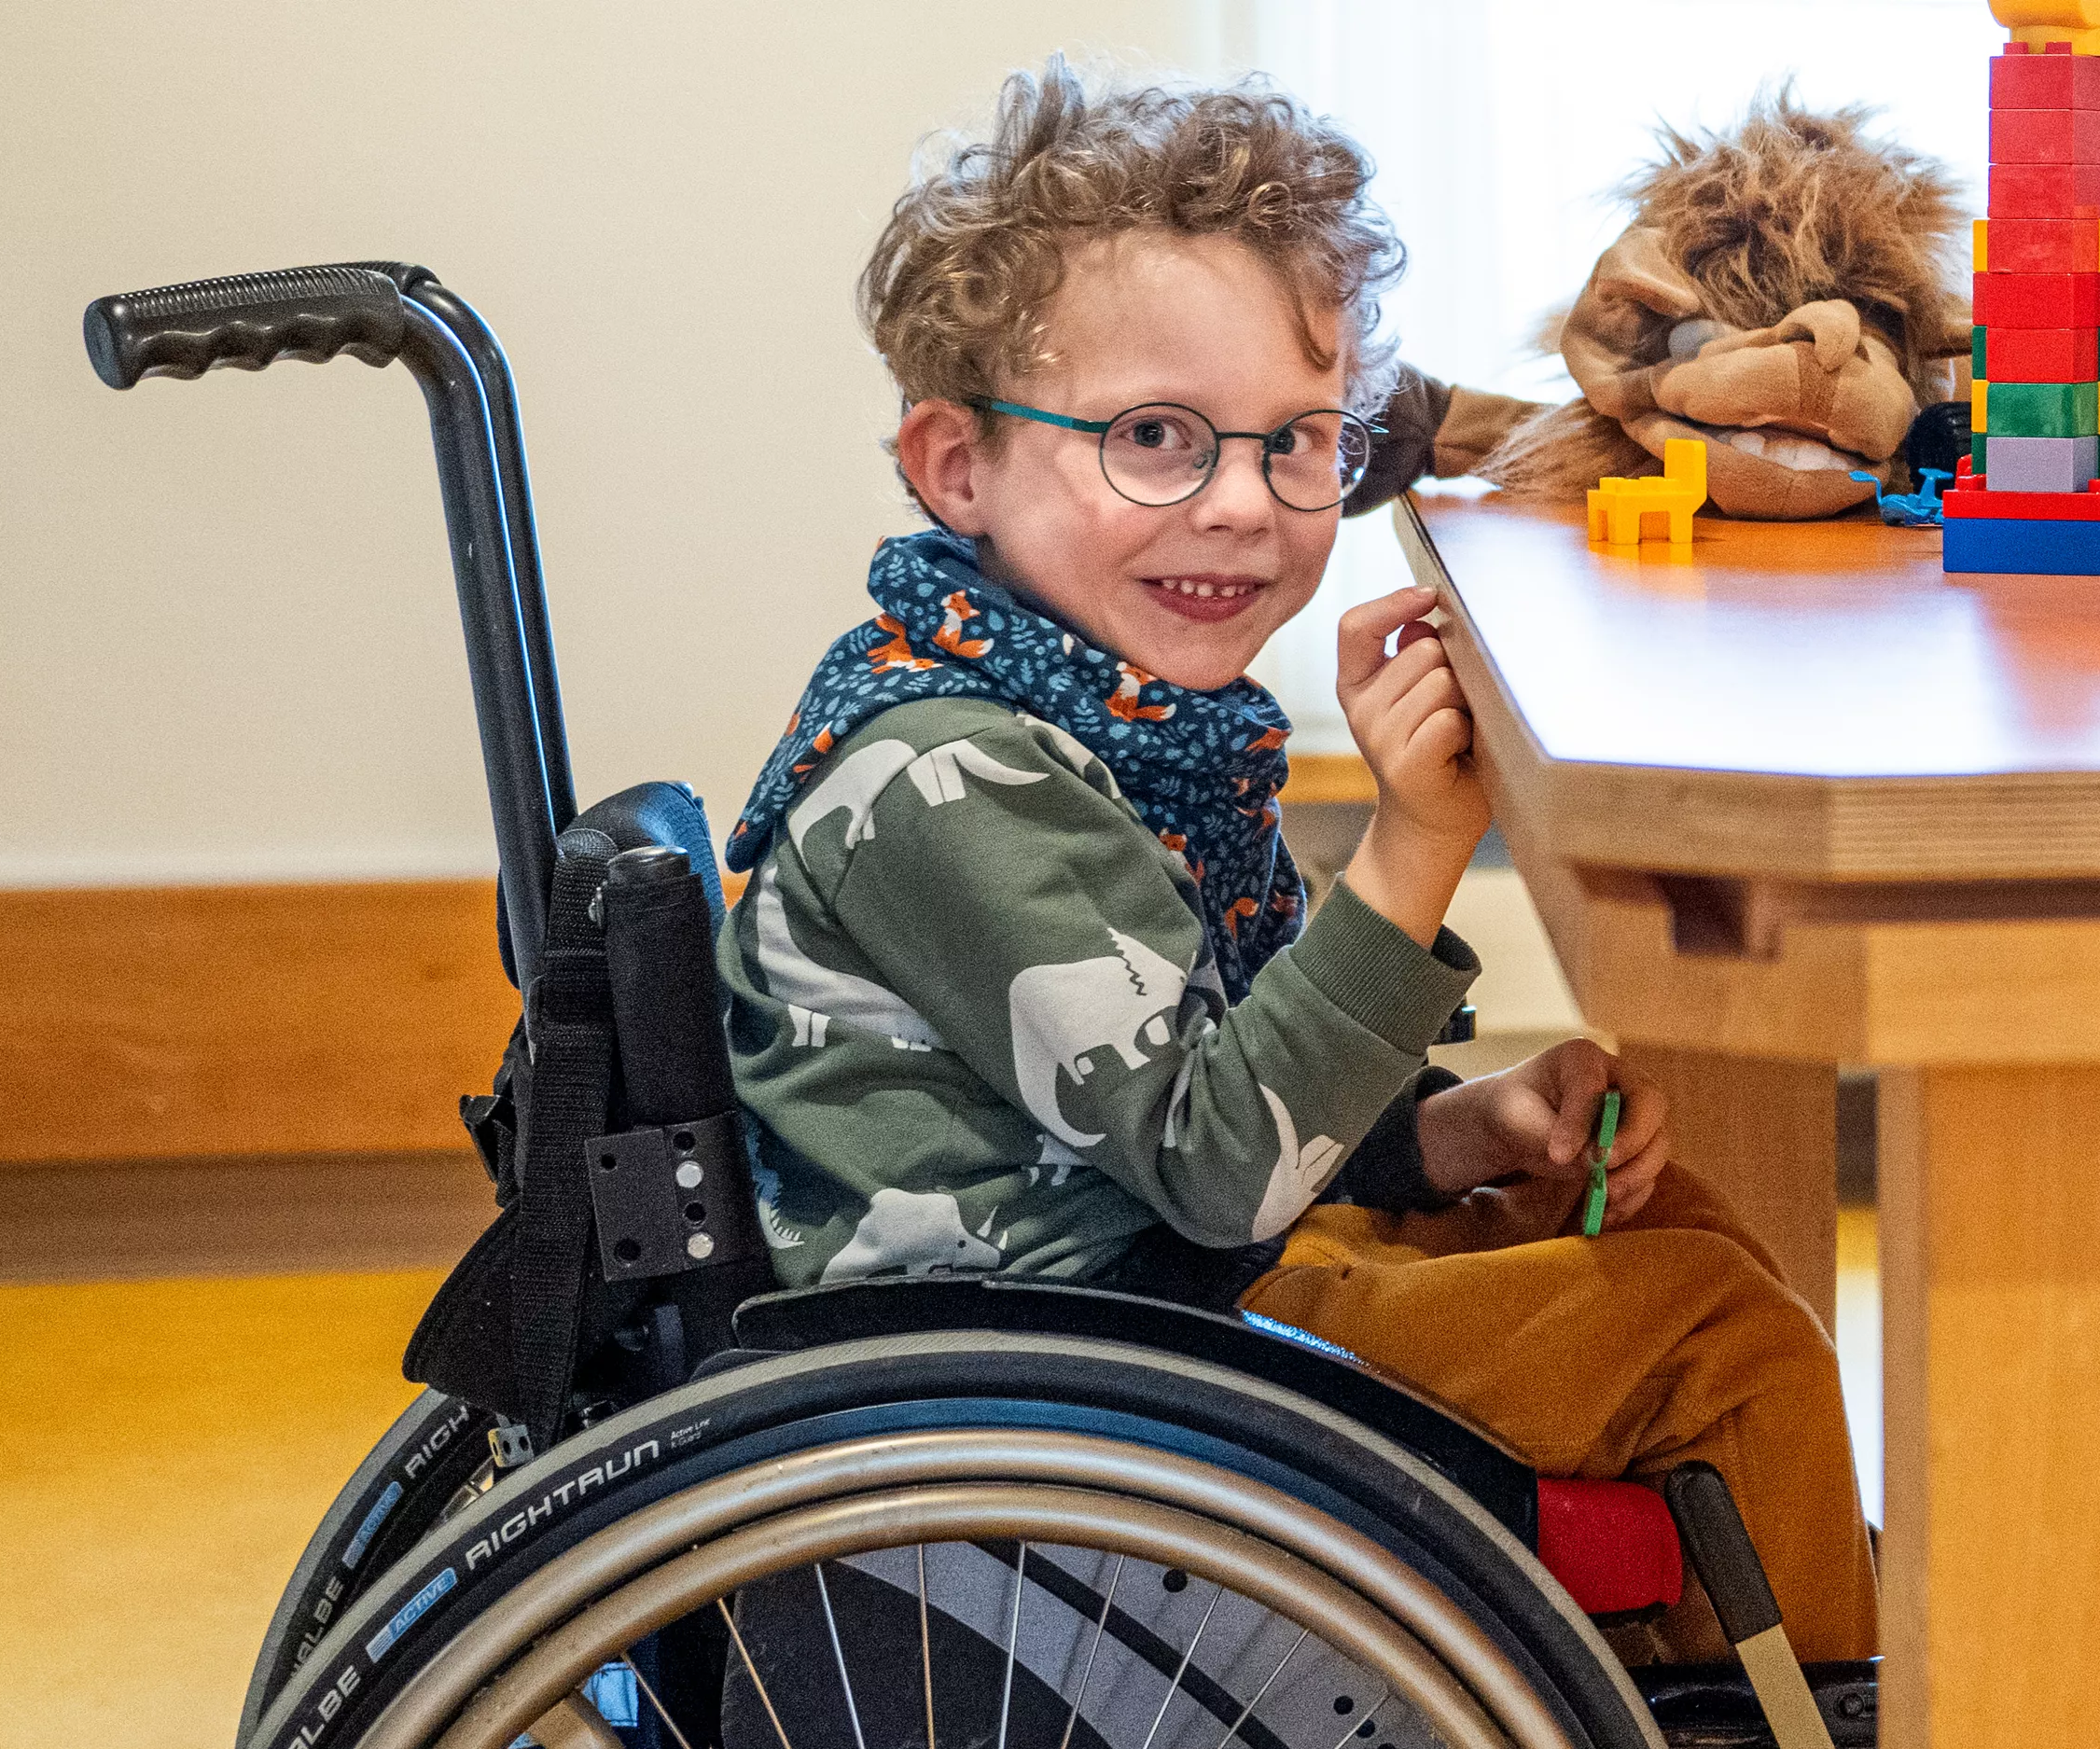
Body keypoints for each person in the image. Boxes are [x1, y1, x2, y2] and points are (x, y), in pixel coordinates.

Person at [716, 57, 1876, 1665]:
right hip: (1085, 1357)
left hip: (1177, 1263)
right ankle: (1816, 1694)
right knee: (1720, 1344)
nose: (1244, 506)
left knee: (1685, 1234)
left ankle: (1735, 1656)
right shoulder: (945, 778)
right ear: (955, 463)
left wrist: (1452, 1134)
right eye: (1155, 439)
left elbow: (1218, 1058)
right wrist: (1416, 844)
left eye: (1299, 442)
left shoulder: (1111, 717)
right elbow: (1211, 1154)